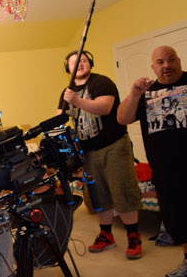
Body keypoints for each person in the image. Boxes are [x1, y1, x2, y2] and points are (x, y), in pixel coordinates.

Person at [57, 50, 143, 259]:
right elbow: (60, 118)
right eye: (75, 63)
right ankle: (106, 235)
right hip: (87, 152)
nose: (80, 64)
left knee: (122, 190)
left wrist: (76, 100)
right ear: (68, 68)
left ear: (90, 63)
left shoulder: (102, 82)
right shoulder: (67, 92)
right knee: (98, 194)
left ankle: (133, 236)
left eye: (83, 60)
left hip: (114, 146)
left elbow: (105, 107)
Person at [117, 45, 187, 277]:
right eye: (160, 62)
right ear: (153, 67)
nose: (166, 65)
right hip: (166, 172)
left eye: (171, 59)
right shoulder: (146, 93)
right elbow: (122, 118)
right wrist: (135, 93)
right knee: (179, 222)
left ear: (179, 61)